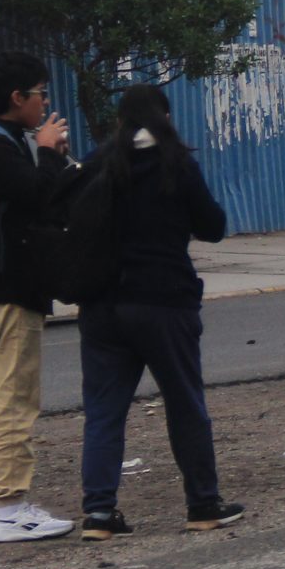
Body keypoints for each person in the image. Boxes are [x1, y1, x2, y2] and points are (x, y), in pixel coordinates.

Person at [76, 84, 243, 539]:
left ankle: (98, 513)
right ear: (165, 117)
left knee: (104, 411)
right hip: (164, 301)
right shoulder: (177, 164)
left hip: (103, 307)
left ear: (119, 122)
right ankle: (203, 505)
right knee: (185, 403)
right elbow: (213, 226)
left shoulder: (97, 164)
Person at [0, 51, 78, 543]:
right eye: (40, 94)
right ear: (17, 98)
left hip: (8, 286)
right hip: (7, 286)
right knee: (13, 399)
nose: (45, 103)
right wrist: (49, 152)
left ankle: (1, 505)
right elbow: (37, 196)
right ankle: (10, 506)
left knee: (4, 397)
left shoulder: (2, 142)